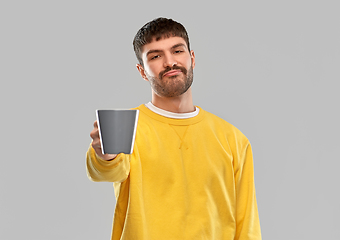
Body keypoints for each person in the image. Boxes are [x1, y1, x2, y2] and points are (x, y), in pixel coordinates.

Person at [86, 17, 262, 240]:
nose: (169, 62)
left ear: (192, 58)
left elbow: (247, 226)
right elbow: (106, 170)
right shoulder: (128, 128)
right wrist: (104, 155)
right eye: (156, 56)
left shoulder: (233, 139)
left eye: (177, 51)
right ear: (142, 70)